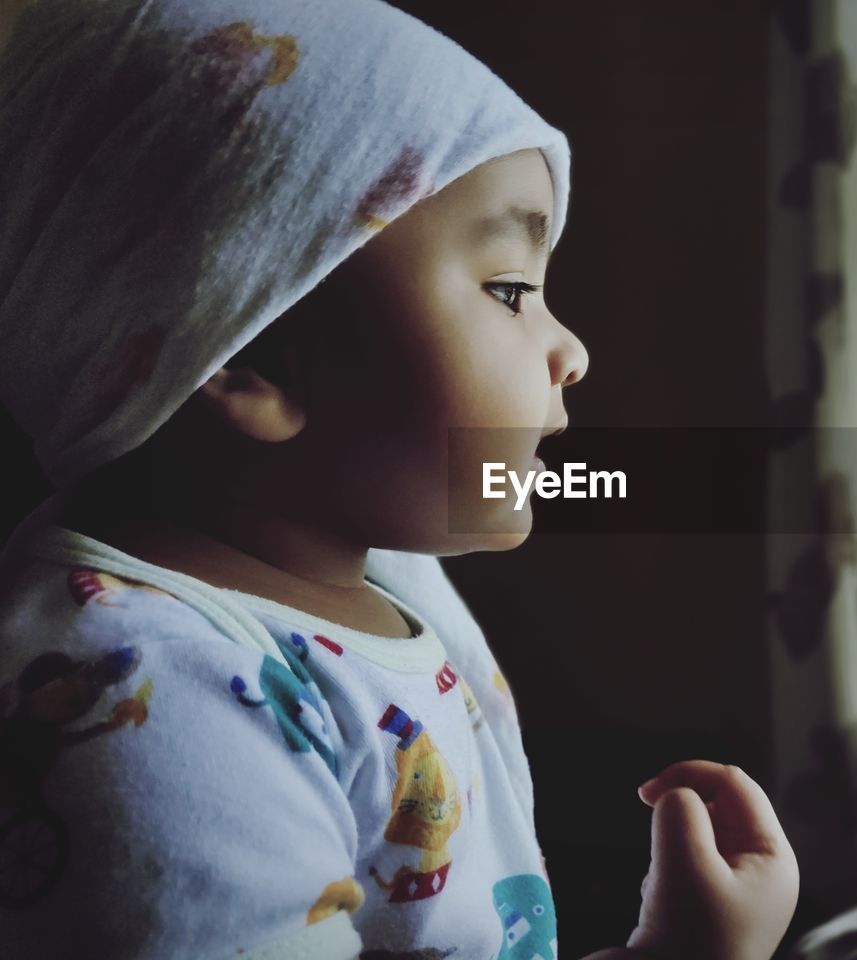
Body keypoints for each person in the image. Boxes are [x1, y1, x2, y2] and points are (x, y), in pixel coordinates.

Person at [0, 2, 799, 959]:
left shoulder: (367, 601)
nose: (573, 351)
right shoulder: (152, 710)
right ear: (252, 349)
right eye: (510, 291)